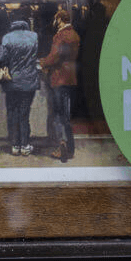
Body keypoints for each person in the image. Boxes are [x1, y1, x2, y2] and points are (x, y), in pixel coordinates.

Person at [0, 17, 40, 156]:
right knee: (24, 113)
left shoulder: (7, 38)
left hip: (12, 81)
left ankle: (15, 145)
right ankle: (25, 145)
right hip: (29, 81)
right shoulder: (34, 36)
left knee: (12, 112)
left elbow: (1, 58)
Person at [39, 9, 79, 162]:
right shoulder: (75, 35)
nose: (55, 22)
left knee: (57, 114)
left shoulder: (60, 36)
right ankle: (71, 147)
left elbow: (54, 57)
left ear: (60, 19)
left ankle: (60, 145)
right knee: (66, 115)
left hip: (58, 78)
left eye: (56, 19)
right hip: (70, 78)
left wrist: (43, 62)